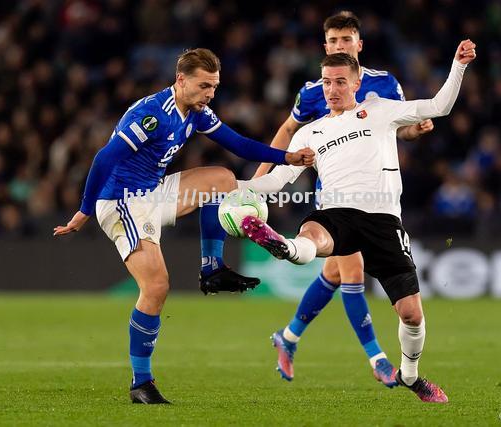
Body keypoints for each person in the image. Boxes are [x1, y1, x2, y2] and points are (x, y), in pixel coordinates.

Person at [53, 48, 314, 404]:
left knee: (221, 179)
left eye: (214, 86)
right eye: (204, 85)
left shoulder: (195, 111)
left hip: (153, 193)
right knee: (157, 287)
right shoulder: (153, 116)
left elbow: (237, 144)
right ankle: (141, 383)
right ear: (181, 80)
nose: (210, 94)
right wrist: (83, 211)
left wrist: (286, 157)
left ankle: (212, 268)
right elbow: (104, 158)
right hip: (122, 202)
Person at [238, 40, 477, 403]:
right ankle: (283, 246)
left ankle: (411, 377)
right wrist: (239, 188)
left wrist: (458, 65)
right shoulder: (310, 133)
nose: (330, 89)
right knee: (312, 235)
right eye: (325, 82)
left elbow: (439, 106)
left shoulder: (379, 110)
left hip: (383, 220)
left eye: (338, 82)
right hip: (337, 212)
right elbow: (276, 180)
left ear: (355, 85)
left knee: (411, 315)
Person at [253, 11, 434, 387]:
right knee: (350, 271)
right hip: (334, 193)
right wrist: (258, 182)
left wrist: (416, 130)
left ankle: (287, 338)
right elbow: (289, 130)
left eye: (346, 40)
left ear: (359, 44)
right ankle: (379, 360)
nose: (340, 46)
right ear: (326, 46)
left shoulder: (385, 84)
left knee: (333, 273)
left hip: (377, 194)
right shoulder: (314, 89)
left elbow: (401, 131)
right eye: (333, 41)